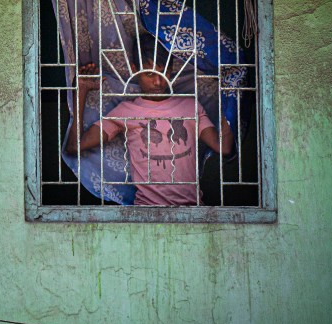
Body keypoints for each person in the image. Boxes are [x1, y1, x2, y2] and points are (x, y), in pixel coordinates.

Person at [65, 38, 233, 206]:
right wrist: (81, 90)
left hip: (193, 211)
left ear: (172, 69)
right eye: (150, 74)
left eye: (164, 72)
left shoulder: (190, 107)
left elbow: (224, 147)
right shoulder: (126, 112)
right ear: (134, 70)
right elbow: (74, 147)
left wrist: (231, 91)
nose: (158, 82)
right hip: (146, 213)